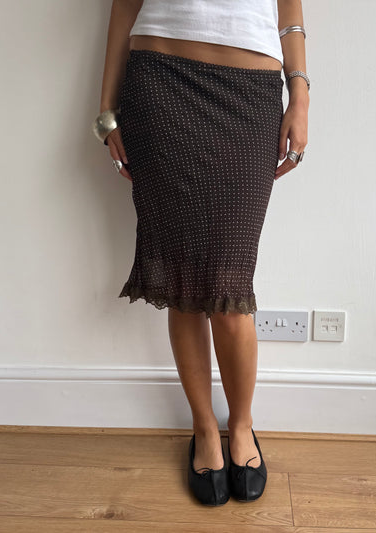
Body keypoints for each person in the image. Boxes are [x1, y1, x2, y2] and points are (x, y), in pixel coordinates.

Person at [93, 0, 309, 506]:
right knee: (184, 286)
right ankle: (204, 427)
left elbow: (290, 12)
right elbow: (124, 7)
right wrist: (106, 112)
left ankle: (242, 425)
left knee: (230, 292)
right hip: (158, 85)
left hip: (250, 94)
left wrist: (299, 98)